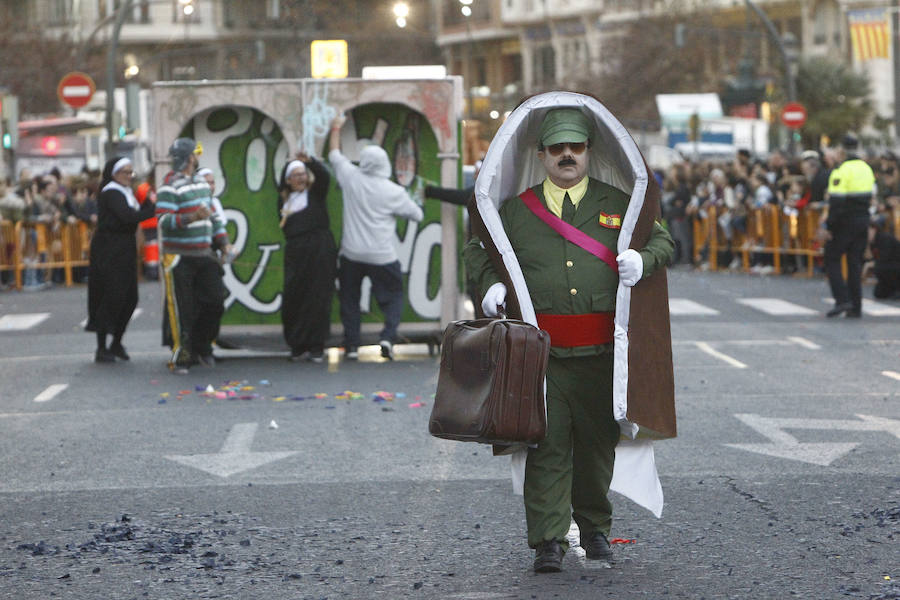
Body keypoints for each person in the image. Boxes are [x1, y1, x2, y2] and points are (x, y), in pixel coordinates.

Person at [463, 105, 674, 573]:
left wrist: (644, 259)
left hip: (602, 354)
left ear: (587, 151)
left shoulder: (619, 204)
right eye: (556, 148)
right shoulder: (516, 212)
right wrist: (489, 285)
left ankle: (596, 529)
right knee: (547, 445)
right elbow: (477, 249)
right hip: (543, 356)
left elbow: (663, 239)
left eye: (574, 147)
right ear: (541, 155)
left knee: (598, 446)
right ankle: (547, 540)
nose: (566, 156)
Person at [328, 114, 424, 360]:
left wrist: (336, 127)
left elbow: (334, 155)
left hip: (351, 253)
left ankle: (351, 345)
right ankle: (387, 337)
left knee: (350, 298)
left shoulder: (351, 177)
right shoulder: (394, 191)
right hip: (382, 255)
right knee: (393, 296)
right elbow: (416, 215)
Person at [156, 137, 232, 373]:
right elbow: (163, 221)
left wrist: (224, 242)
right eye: (195, 154)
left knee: (215, 300)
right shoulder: (169, 186)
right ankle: (182, 355)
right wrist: (191, 218)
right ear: (191, 158)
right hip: (179, 256)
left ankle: (202, 345)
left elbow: (214, 217)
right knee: (183, 310)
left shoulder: (200, 183)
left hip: (203, 253)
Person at [86, 157, 155, 362]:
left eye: (131, 172)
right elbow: (127, 217)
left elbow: (136, 213)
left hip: (124, 247)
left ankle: (116, 342)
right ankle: (101, 346)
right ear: (114, 174)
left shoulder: (126, 193)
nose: (129, 176)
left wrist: (148, 203)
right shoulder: (112, 192)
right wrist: (153, 210)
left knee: (129, 297)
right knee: (110, 294)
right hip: (109, 248)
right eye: (125, 172)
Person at [277, 153, 337, 362]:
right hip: (296, 251)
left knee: (318, 297)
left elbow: (324, 177)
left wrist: (309, 161)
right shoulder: (285, 201)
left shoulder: (316, 194)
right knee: (294, 295)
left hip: (320, 248)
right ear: (288, 180)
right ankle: (297, 343)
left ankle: (316, 345)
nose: (301, 178)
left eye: (303, 174)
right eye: (296, 175)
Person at [821, 134, 875, 318]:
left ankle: (842, 299)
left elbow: (836, 203)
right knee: (854, 263)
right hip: (862, 220)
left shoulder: (841, 171)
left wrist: (829, 226)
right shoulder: (867, 169)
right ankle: (856, 306)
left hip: (844, 222)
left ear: (842, 151)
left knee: (831, 258)